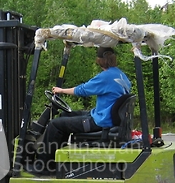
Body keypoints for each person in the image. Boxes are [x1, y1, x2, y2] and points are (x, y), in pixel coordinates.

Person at [33, 46, 131, 174]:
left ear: (100, 60)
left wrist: (61, 90)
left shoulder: (106, 77)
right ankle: (57, 160)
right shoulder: (121, 75)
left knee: (54, 124)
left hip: (101, 122)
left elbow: (83, 90)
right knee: (65, 115)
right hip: (106, 117)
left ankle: (43, 166)